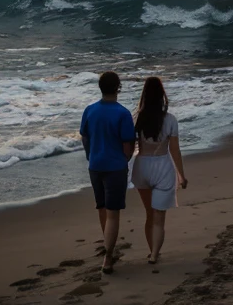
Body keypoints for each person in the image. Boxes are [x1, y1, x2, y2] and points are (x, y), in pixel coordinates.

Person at [79, 71, 135, 274]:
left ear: (100, 87)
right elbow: (128, 144)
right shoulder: (122, 113)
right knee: (113, 213)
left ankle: (107, 245)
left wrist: (89, 155)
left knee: (102, 208)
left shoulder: (90, 110)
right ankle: (108, 256)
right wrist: (125, 159)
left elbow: (85, 138)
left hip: (95, 164)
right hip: (115, 167)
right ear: (118, 87)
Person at [131, 76, 188, 265]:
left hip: (141, 167)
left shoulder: (137, 117)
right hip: (163, 166)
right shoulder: (170, 120)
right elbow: (175, 150)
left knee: (149, 213)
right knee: (159, 216)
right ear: (162, 95)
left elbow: (130, 147)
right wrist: (181, 175)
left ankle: (151, 251)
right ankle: (155, 254)